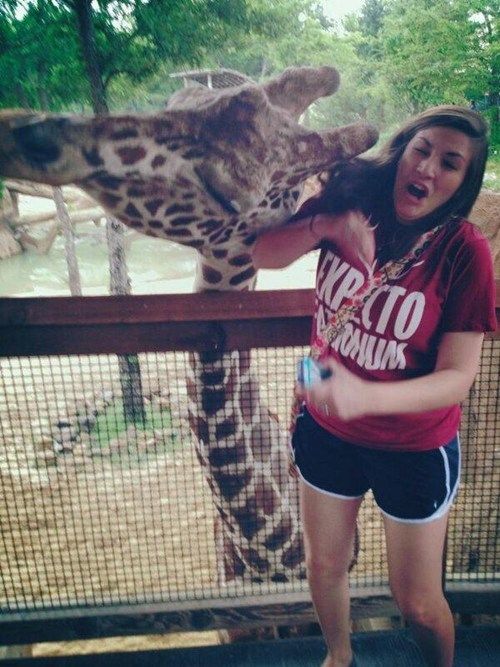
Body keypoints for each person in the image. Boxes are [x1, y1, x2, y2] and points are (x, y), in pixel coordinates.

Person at [252, 106, 496, 667]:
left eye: (450, 162)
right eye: (422, 149)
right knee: (324, 565)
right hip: (326, 430)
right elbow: (261, 254)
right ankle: (339, 657)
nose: (428, 168)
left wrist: (367, 396)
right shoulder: (354, 198)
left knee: (418, 604)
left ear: (464, 181)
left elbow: (458, 378)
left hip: (413, 447)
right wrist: (324, 226)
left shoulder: (464, 250)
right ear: (403, 148)